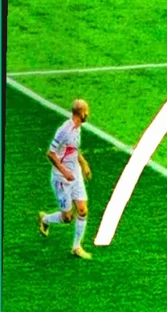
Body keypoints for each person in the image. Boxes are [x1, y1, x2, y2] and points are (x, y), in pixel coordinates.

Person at [38, 99, 93, 260]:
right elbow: (50, 153)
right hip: (62, 179)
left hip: (75, 175)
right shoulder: (64, 130)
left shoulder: (78, 128)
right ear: (81, 113)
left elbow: (73, 150)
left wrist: (84, 164)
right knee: (67, 218)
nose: (88, 114)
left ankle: (76, 247)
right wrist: (65, 171)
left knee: (82, 210)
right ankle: (45, 219)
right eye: (86, 111)